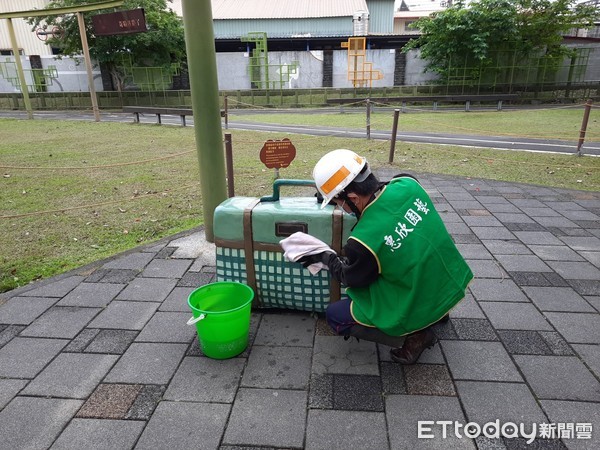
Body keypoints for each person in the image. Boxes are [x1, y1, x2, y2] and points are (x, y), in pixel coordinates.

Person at [298, 149, 473, 364]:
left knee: (336, 316)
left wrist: (325, 257)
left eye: (338, 202)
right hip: (447, 280)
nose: (340, 207)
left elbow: (352, 278)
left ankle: (417, 334)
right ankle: (440, 312)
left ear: (352, 198)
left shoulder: (362, 242)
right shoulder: (409, 184)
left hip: (416, 296)